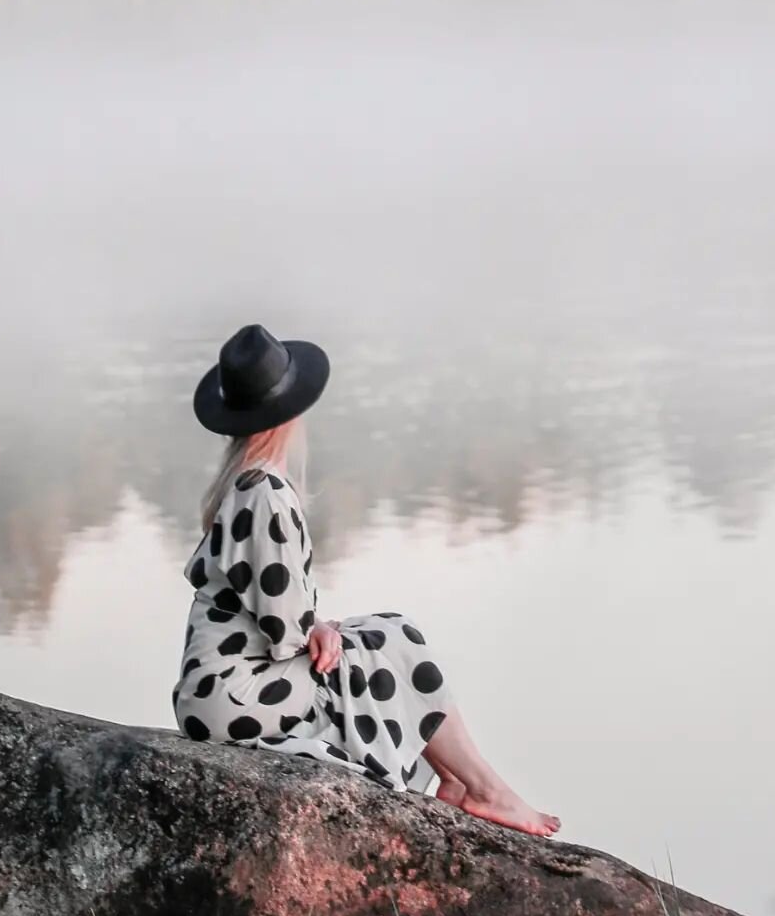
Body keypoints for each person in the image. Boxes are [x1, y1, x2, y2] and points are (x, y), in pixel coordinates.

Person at [174, 324, 559, 838]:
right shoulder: (264, 491)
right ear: (291, 412)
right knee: (394, 641)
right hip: (236, 696)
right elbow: (286, 631)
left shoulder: (242, 485)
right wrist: (322, 631)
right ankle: (483, 788)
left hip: (215, 692)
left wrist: (323, 627)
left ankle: (461, 781)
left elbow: (279, 613)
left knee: (387, 635)